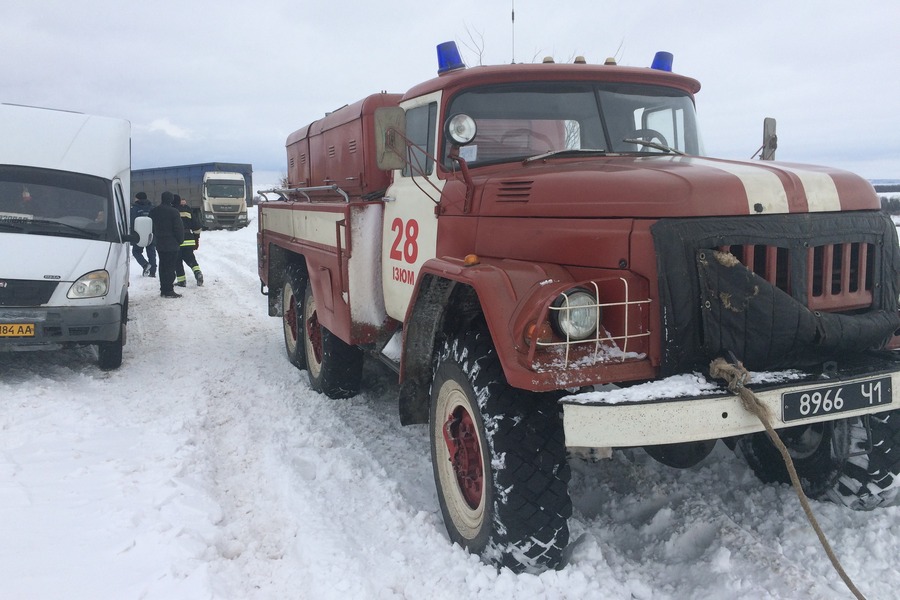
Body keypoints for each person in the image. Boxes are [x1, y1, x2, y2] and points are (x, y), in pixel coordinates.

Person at [149, 191, 184, 298]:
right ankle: (168, 290)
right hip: (172, 244)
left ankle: (163, 288)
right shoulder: (174, 212)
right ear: (171, 200)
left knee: (162, 266)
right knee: (170, 267)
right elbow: (178, 228)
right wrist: (180, 240)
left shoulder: (154, 211)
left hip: (160, 243)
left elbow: (150, 226)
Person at [173, 194, 204, 287]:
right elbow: (197, 226)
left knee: (177, 261)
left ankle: (181, 281)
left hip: (177, 240)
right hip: (189, 239)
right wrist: (196, 239)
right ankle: (198, 272)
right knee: (191, 259)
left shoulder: (173, 211)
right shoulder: (189, 210)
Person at [130, 192, 157, 276]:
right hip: (150, 233)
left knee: (136, 252)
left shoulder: (134, 208)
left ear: (137, 198)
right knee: (151, 253)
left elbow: (131, 221)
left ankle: (145, 265)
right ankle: (152, 272)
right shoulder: (152, 208)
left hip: (138, 234)